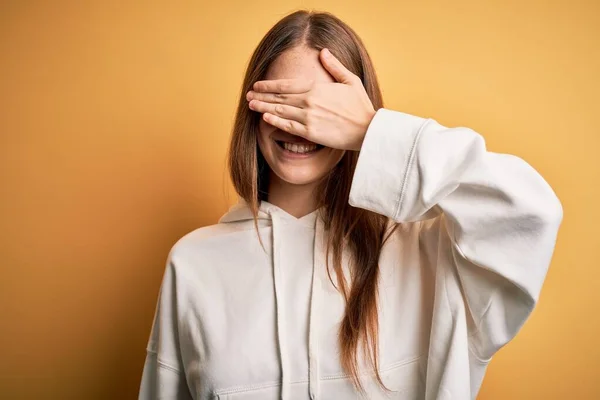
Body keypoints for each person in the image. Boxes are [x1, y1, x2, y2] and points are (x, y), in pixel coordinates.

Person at [138, 9, 562, 400]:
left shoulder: (428, 255)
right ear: (252, 110)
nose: (303, 125)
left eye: (324, 109)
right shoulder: (193, 263)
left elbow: (531, 214)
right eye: (284, 103)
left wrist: (372, 130)